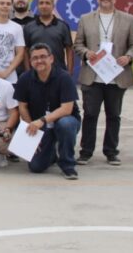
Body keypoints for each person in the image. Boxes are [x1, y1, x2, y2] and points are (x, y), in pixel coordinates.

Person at [74, 0, 133, 166]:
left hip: (117, 76)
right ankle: (86, 152)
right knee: (90, 114)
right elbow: (78, 44)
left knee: (114, 116)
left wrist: (128, 57)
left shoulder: (128, 19)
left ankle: (111, 152)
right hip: (92, 76)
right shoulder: (85, 19)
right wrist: (86, 53)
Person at [14, 43, 81, 180]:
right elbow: (23, 107)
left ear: (51, 58)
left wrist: (42, 120)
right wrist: (31, 128)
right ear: (31, 61)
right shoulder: (24, 79)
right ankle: (51, 154)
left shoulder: (64, 77)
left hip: (62, 121)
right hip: (40, 126)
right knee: (36, 167)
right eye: (35, 58)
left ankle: (68, 165)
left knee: (66, 124)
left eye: (43, 56)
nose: (39, 61)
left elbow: (67, 109)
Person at [23, 0, 74, 72]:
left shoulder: (63, 26)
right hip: (36, 73)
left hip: (59, 74)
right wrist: (28, 71)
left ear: (53, 6)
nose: (44, 6)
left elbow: (69, 50)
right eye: (41, 3)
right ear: (37, 6)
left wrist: (69, 73)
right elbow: (25, 51)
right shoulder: (29, 27)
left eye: (47, 3)